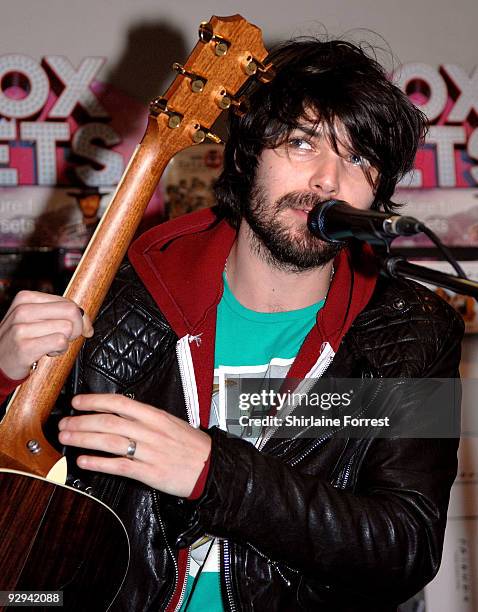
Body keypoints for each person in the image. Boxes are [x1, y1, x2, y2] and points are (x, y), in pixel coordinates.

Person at [0, 37, 464, 611]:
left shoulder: (414, 332)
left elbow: (406, 546)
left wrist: (213, 474)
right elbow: (20, 503)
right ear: (246, 157)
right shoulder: (113, 304)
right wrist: (2, 379)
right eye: (301, 143)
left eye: (359, 159)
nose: (327, 180)